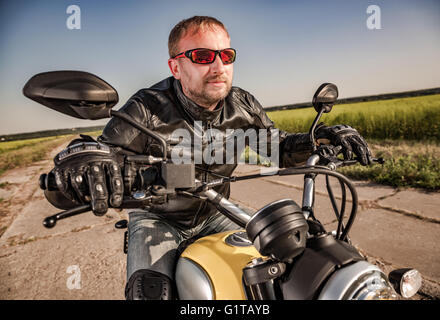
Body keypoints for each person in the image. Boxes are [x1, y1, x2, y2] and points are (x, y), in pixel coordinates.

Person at [45, 16, 372, 300]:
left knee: (288, 263)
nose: (218, 67)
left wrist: (319, 139)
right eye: (202, 56)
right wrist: (84, 161)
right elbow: (106, 155)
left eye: (226, 55)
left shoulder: (242, 104)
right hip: (159, 217)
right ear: (175, 66)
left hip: (218, 210)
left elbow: (277, 147)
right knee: (150, 290)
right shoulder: (145, 108)